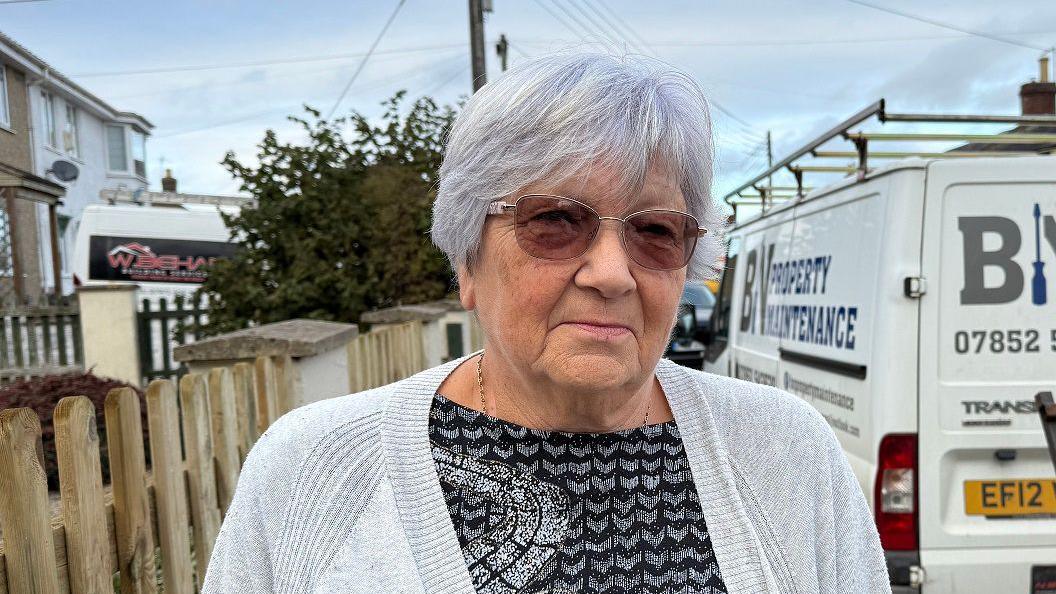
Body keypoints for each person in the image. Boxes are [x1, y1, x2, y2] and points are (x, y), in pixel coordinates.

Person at [202, 52, 890, 594]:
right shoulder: (314, 471)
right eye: (556, 220)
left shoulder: (784, 453)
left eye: (655, 230)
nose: (612, 272)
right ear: (468, 259)